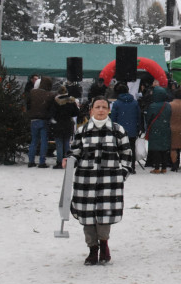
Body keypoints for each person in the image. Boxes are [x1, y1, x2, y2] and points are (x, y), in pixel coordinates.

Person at [64, 97, 134, 266]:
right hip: (85, 181)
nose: (101, 110)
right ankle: (92, 249)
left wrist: (122, 174)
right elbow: (75, 151)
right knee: (87, 216)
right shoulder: (82, 131)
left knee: (104, 215)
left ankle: (104, 245)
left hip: (109, 182)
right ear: (91, 110)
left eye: (104, 107)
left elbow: (126, 154)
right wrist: (70, 160)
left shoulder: (117, 130)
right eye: (97, 107)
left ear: (109, 110)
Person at [110, 83, 141, 172]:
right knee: (131, 148)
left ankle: (122, 165)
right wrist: (139, 127)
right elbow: (139, 116)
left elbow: (113, 117)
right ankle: (132, 166)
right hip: (132, 129)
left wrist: (113, 127)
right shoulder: (135, 102)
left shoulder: (116, 103)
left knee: (120, 148)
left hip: (120, 130)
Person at [26, 75, 55, 168]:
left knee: (34, 141)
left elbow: (28, 105)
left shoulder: (32, 92)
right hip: (44, 119)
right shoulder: (50, 95)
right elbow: (51, 108)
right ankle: (42, 161)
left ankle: (31, 161)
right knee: (43, 141)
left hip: (33, 119)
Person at [144, 86, 172, 174]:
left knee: (156, 149)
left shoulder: (153, 106)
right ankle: (164, 167)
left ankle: (156, 167)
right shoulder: (168, 105)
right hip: (166, 128)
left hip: (155, 128)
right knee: (164, 148)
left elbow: (148, 118)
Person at [52, 85, 80, 170]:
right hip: (68, 123)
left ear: (58, 92)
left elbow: (52, 113)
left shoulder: (56, 101)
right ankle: (67, 161)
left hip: (58, 124)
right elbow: (76, 112)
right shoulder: (71, 101)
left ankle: (59, 162)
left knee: (59, 144)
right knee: (67, 143)